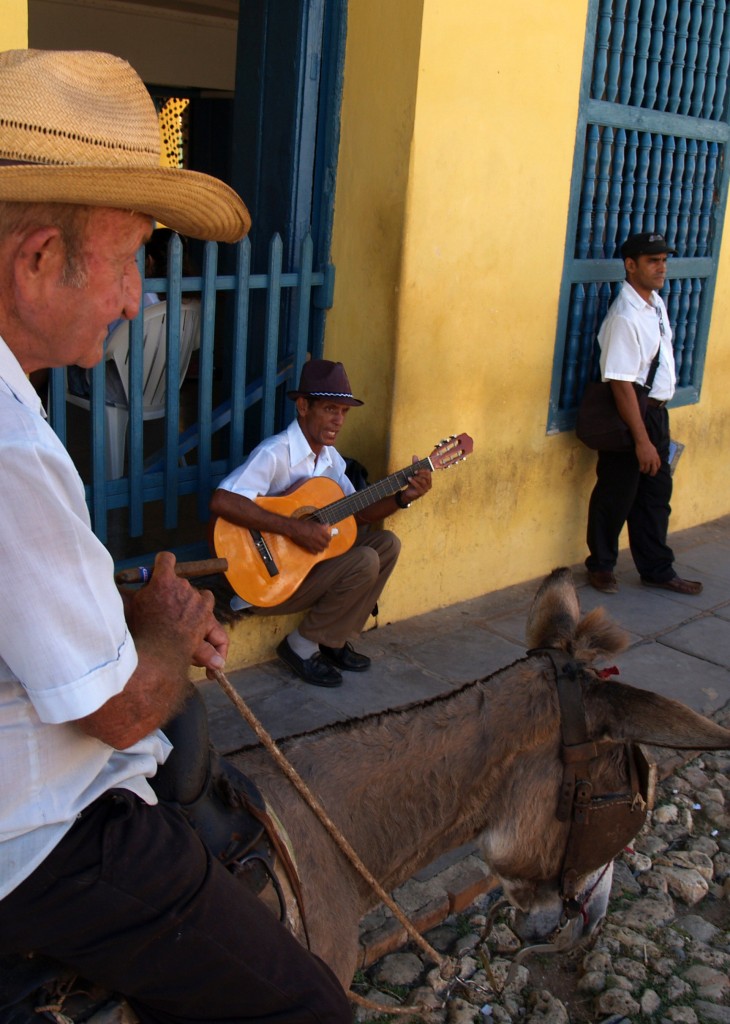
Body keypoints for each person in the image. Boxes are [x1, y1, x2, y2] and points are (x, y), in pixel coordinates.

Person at [0, 47, 350, 1024]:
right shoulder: (8, 446)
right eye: (131, 259)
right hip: (31, 841)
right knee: (309, 1010)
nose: (136, 297)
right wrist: (165, 633)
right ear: (37, 262)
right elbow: (116, 713)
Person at [209, 359, 433, 687]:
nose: (338, 420)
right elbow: (222, 501)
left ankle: (333, 640)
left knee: (387, 545)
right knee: (363, 560)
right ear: (303, 406)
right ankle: (301, 646)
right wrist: (292, 528)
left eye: (343, 412)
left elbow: (358, 512)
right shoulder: (275, 453)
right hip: (264, 581)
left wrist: (404, 497)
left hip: (304, 572)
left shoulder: (330, 460)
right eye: (330, 409)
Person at [584, 231, 702, 596]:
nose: (661, 267)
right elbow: (620, 383)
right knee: (616, 493)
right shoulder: (624, 316)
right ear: (630, 265)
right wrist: (642, 440)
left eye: (664, 259)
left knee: (654, 496)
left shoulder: (655, 304)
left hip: (655, 414)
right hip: (631, 415)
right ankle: (601, 566)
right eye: (653, 261)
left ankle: (657, 569)